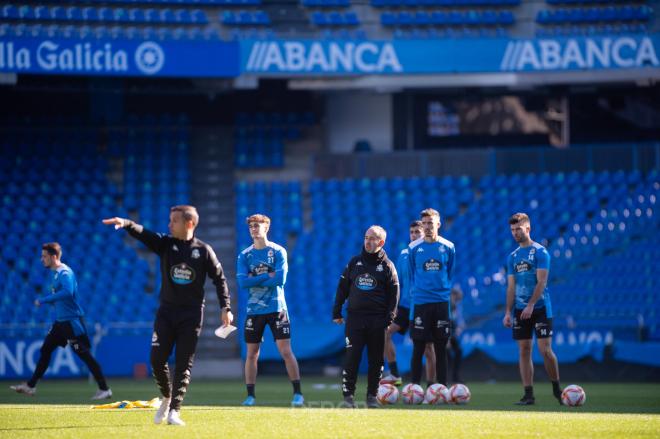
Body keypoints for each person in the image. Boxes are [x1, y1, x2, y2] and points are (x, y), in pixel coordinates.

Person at [102, 205, 232, 426]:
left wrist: (225, 307)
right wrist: (126, 223)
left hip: (191, 316)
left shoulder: (203, 250)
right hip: (166, 312)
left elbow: (219, 279)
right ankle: (166, 396)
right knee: (156, 359)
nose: (169, 224)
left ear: (189, 223)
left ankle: (175, 412)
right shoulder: (166, 244)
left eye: (174, 221)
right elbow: (145, 234)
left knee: (184, 363)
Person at [9, 242, 112, 400]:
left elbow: (68, 292)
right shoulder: (56, 273)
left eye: (44, 256)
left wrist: (44, 300)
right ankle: (31, 386)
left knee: (84, 355)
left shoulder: (64, 273)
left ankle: (104, 389)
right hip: (60, 322)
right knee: (45, 350)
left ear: (53, 256)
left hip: (72, 322)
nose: (41, 259)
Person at [236, 214, 303, 407]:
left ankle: (298, 393)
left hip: (277, 309)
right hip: (254, 310)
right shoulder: (244, 255)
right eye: (251, 226)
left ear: (267, 228)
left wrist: (254, 278)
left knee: (285, 351)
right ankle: (250, 396)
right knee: (252, 354)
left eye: (257, 226)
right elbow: (242, 283)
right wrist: (268, 274)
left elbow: (280, 280)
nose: (254, 229)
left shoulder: (278, 251)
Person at [333, 225, 399, 409]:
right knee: (352, 357)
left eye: (373, 238)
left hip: (377, 320)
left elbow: (394, 293)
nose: (368, 241)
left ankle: (372, 397)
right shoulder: (354, 263)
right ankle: (348, 398)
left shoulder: (387, 265)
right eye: (366, 237)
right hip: (355, 319)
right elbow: (342, 288)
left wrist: (389, 317)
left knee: (376, 360)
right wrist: (336, 311)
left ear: (381, 242)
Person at [502, 212, 562, 405]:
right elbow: (511, 287)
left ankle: (557, 389)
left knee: (545, 350)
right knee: (524, 350)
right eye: (512, 230)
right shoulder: (512, 257)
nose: (515, 233)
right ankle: (528, 394)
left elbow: (542, 281)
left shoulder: (540, 252)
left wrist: (531, 305)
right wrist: (508, 313)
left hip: (541, 307)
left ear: (528, 229)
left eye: (518, 229)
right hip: (520, 309)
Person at [381, 220, 436, 387]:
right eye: (412, 232)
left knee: (427, 347)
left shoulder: (429, 252)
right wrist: (395, 306)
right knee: (384, 333)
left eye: (417, 232)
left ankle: (431, 386)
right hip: (404, 305)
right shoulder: (404, 254)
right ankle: (395, 374)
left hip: (422, 305)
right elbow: (398, 283)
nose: (414, 235)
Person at [408, 208, 455, 387]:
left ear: (438, 224)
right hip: (421, 302)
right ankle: (413, 387)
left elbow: (449, 272)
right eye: (425, 223)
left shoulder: (449, 247)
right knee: (418, 347)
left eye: (431, 223)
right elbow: (413, 273)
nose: (427, 227)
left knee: (440, 348)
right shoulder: (413, 248)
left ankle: (440, 387)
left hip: (441, 302)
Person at [448, 286, 465, 384]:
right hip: (446, 331)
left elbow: (458, 321)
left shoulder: (456, 306)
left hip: (452, 332)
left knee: (458, 351)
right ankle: (444, 377)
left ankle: (455, 377)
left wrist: (459, 327)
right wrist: (448, 338)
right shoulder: (448, 304)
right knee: (446, 354)